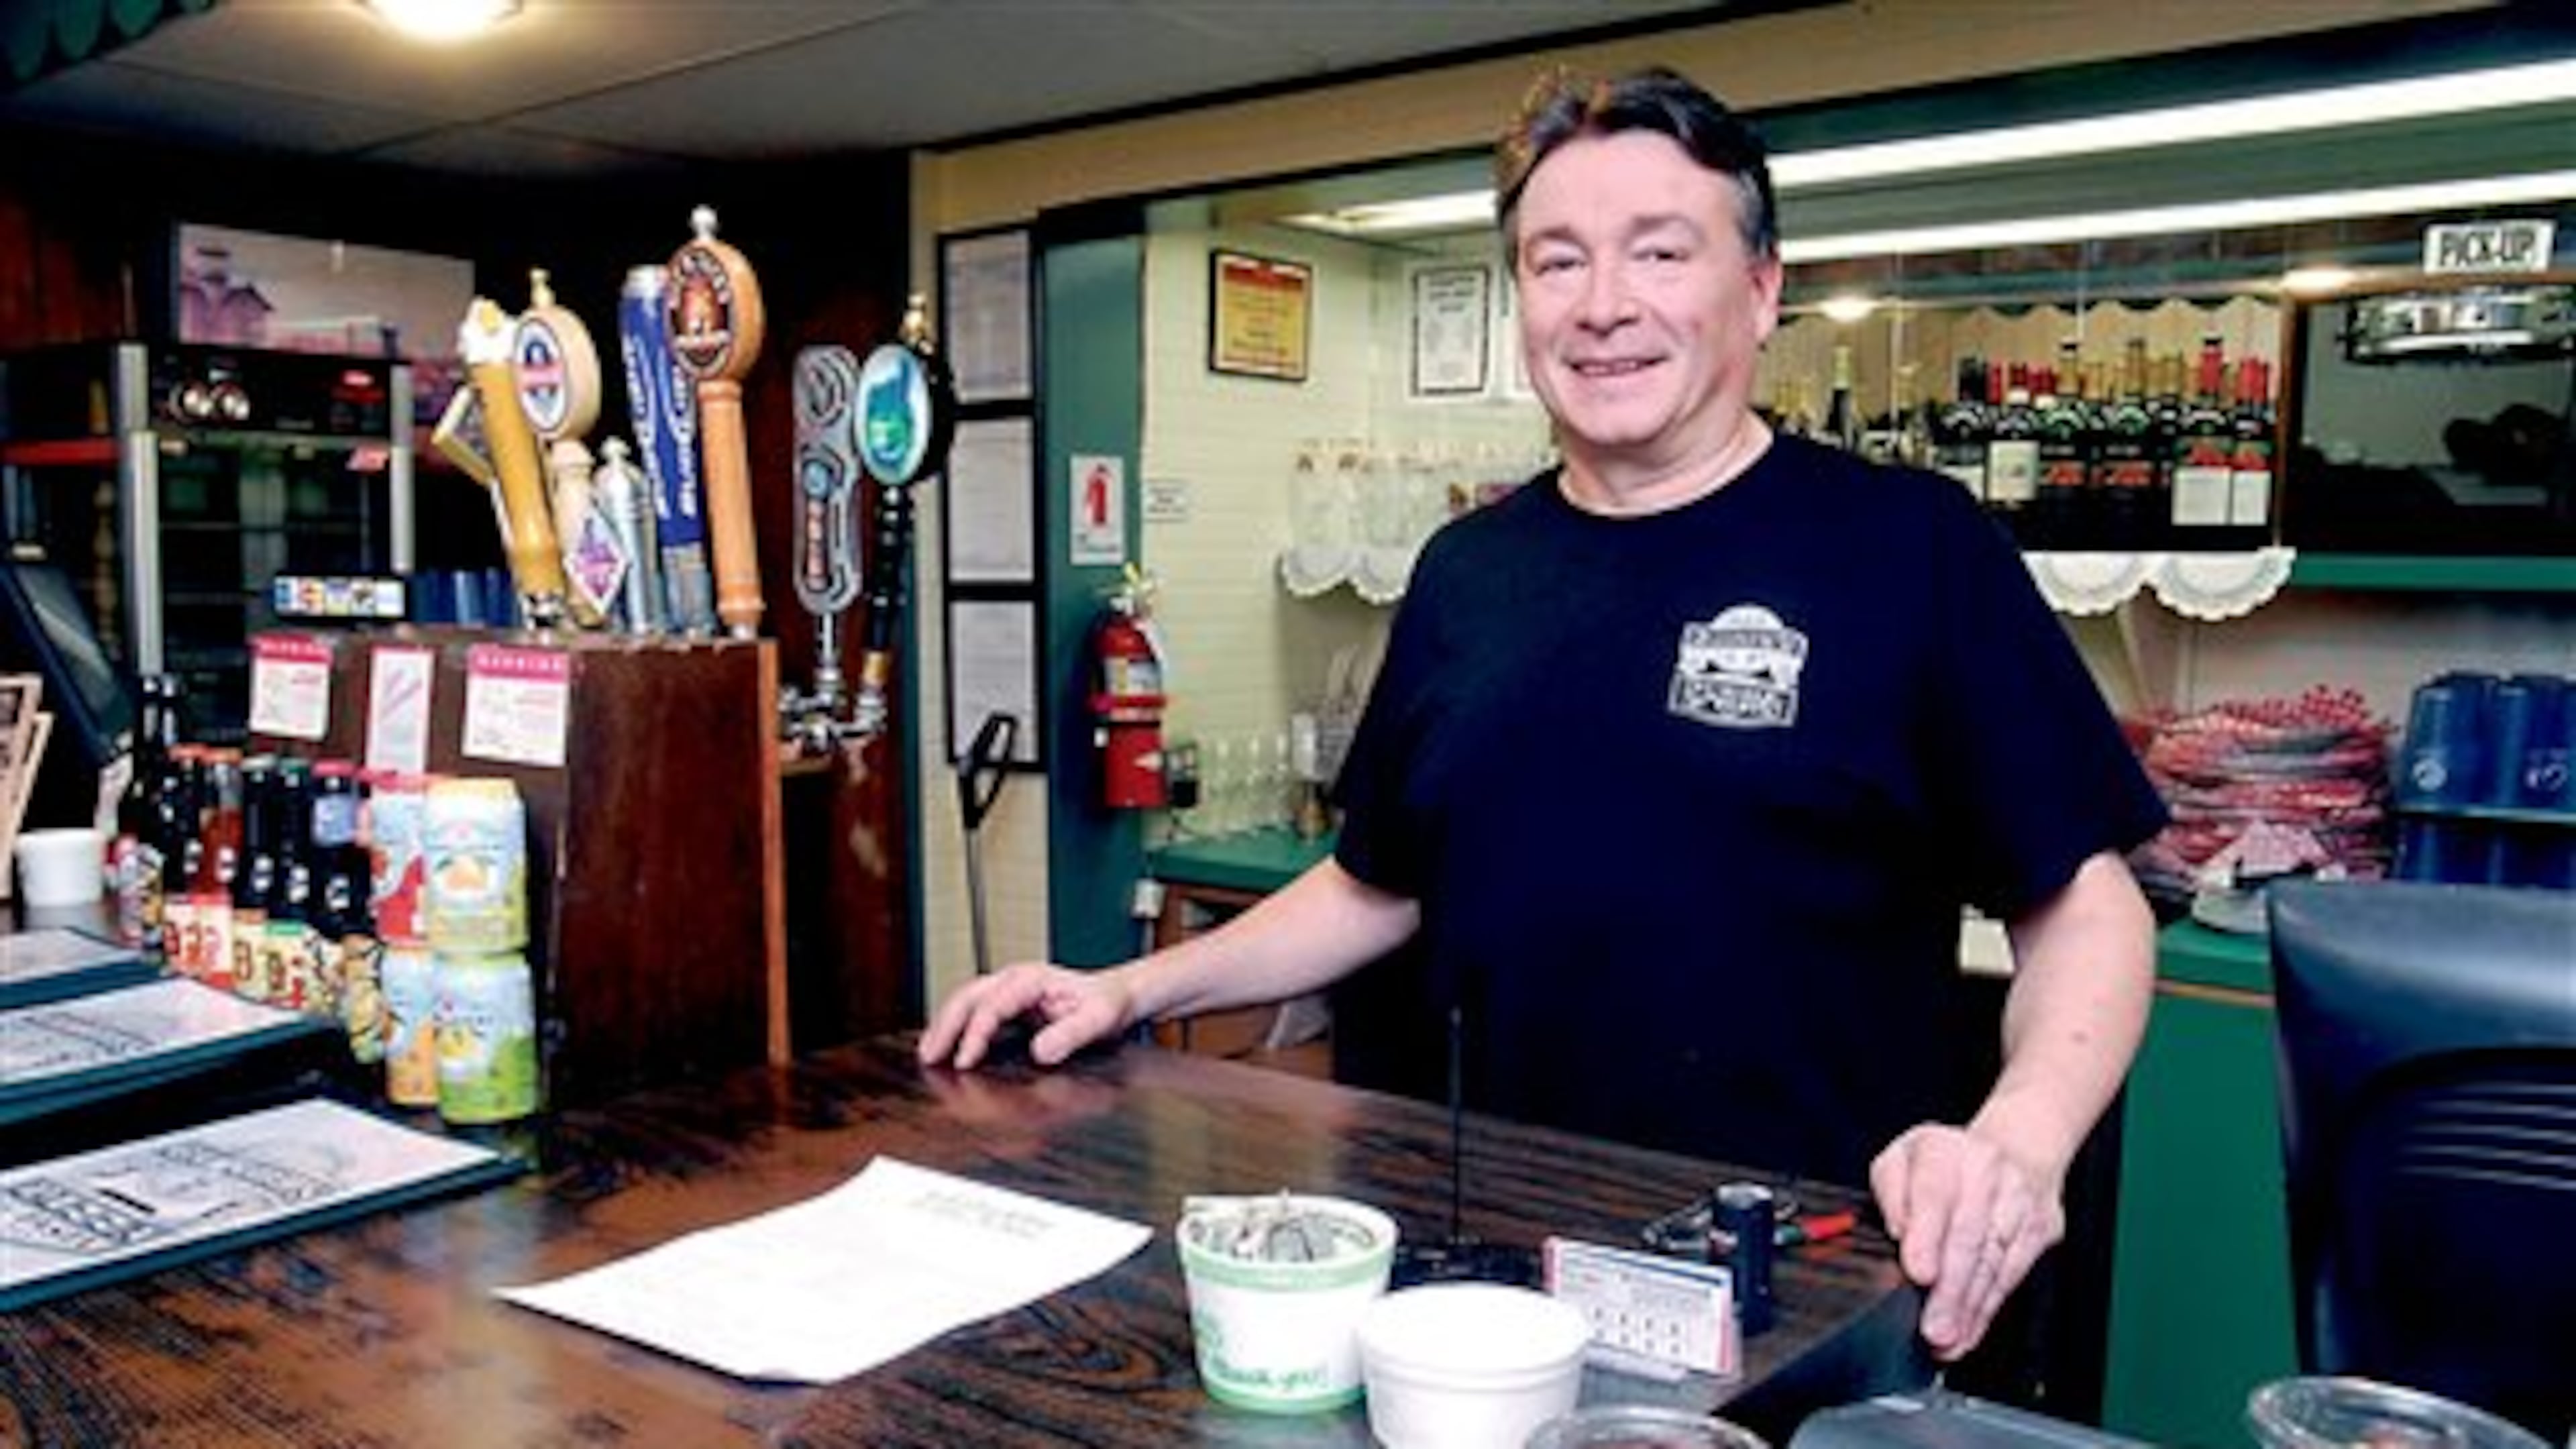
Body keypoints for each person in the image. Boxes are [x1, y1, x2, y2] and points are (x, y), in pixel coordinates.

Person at [921, 65, 2164, 1367]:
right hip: (1500, 1279)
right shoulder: (1472, 572)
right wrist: (1126, 988)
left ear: (1761, 288)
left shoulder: (1911, 549)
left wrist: (2017, 1141)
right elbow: (1376, 883)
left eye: (1661, 252)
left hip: (1806, 1283)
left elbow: (2084, 904)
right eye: (1556, 261)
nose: (1605, 306)